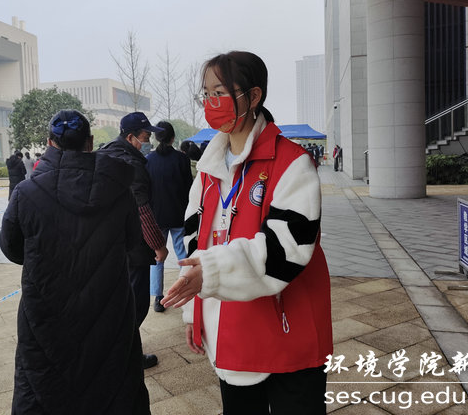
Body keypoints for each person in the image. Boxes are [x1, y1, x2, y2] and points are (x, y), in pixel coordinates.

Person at [161, 52, 332, 414]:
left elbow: (287, 249)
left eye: (221, 93)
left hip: (287, 327)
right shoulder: (207, 171)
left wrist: (212, 272)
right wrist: (195, 312)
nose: (211, 103)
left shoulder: (292, 163)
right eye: (206, 94)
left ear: (253, 96)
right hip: (230, 330)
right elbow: (194, 244)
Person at [0, 110, 150, 415]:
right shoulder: (118, 188)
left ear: (49, 143)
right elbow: (132, 241)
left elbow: (12, 248)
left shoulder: (26, 192)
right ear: (90, 142)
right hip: (108, 306)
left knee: (45, 387)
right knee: (115, 387)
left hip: (47, 311)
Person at [101, 112, 169, 370]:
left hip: (109, 245)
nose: (148, 141)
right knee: (135, 305)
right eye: (145, 136)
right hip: (132, 247)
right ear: (130, 137)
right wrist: (158, 245)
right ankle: (125, 358)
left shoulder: (104, 156)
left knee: (117, 303)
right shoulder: (131, 165)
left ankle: (116, 352)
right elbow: (141, 209)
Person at [145, 121, 193, 313]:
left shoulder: (148, 160)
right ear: (173, 138)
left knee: (157, 257)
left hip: (156, 217)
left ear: (156, 138)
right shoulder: (182, 159)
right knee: (183, 256)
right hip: (179, 214)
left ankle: (158, 297)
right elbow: (189, 189)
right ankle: (184, 294)